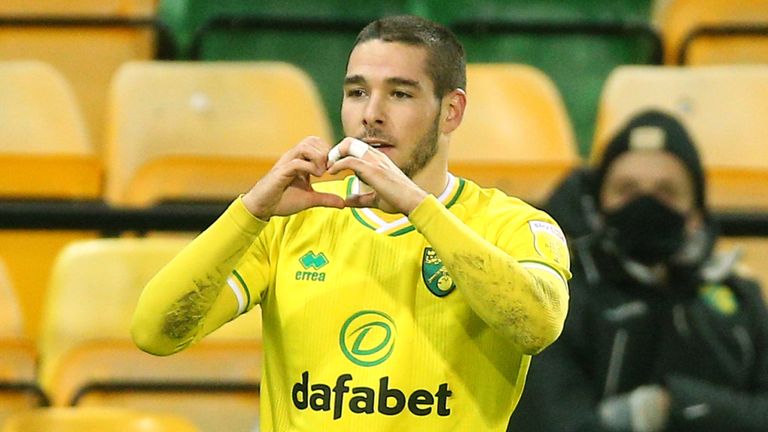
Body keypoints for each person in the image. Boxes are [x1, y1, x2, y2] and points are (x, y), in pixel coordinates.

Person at [131, 15, 570, 431]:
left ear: (451, 111)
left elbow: (537, 324)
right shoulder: (292, 221)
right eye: (358, 92)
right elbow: (155, 333)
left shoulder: (510, 224)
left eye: (400, 94)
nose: (371, 114)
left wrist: (420, 209)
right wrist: (251, 211)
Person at [508, 109, 768, 432]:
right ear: (599, 207)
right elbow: (553, 422)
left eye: (666, 191)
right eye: (626, 190)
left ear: (696, 213)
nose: (645, 203)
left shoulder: (740, 299)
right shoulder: (557, 298)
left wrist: (674, 405)